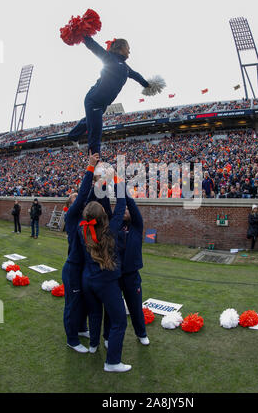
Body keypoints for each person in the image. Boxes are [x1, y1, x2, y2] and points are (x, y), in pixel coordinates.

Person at [78, 187, 131, 372]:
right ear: (103, 217)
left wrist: (96, 186)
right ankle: (112, 362)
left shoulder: (81, 228)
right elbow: (121, 205)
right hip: (106, 281)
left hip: (87, 280)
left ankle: (93, 345)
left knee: (94, 313)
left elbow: (87, 205)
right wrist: (117, 182)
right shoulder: (111, 229)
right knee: (119, 321)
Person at [68, 37, 150, 155]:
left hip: (102, 103)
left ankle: (73, 135)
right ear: (121, 48)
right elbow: (95, 48)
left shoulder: (125, 67)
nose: (129, 51)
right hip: (94, 100)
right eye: (128, 48)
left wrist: (147, 85)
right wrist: (84, 36)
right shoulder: (109, 58)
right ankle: (94, 167)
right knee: (96, 132)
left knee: (89, 121)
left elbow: (136, 75)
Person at [62, 152, 99, 353]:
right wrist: (90, 168)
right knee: (72, 304)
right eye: (75, 199)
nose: (79, 200)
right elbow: (84, 194)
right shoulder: (71, 217)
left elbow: (90, 196)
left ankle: (82, 328)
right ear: (70, 206)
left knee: (84, 300)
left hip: (84, 267)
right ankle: (71, 339)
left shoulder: (82, 215)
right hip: (73, 267)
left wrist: (96, 181)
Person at [103, 187, 149, 348]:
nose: (126, 211)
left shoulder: (136, 226)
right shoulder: (113, 227)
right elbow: (107, 207)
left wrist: (120, 187)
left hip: (131, 275)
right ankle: (107, 336)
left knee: (135, 307)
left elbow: (132, 206)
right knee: (110, 309)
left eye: (128, 210)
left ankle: (141, 333)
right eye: (124, 209)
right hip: (114, 276)